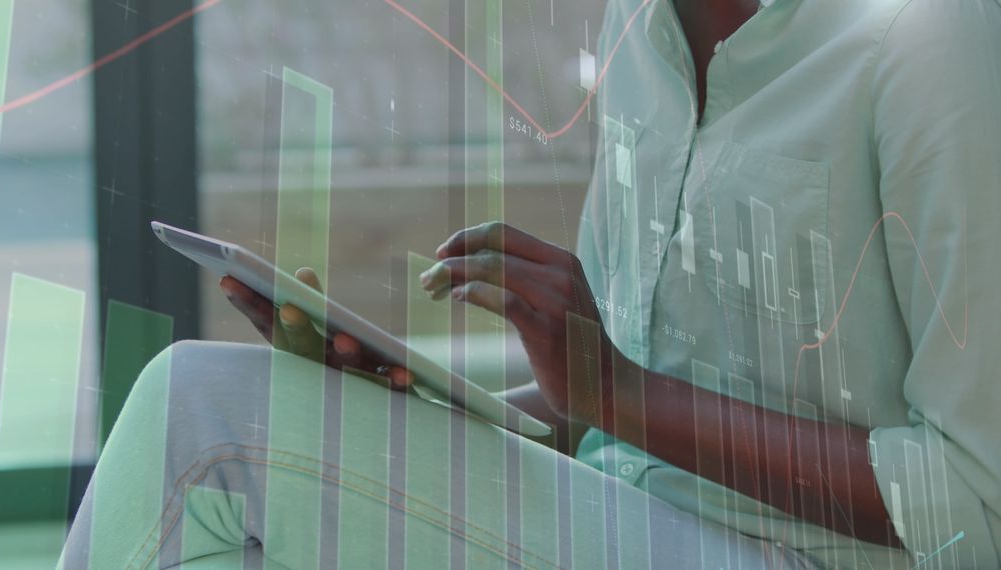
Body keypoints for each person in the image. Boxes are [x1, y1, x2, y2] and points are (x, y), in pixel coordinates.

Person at [61, 0, 1001, 567]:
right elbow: (617, 411)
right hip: (623, 517)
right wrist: (416, 407)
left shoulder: (927, 47)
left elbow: (975, 510)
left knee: (200, 411)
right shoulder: (640, 30)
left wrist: (620, 397)